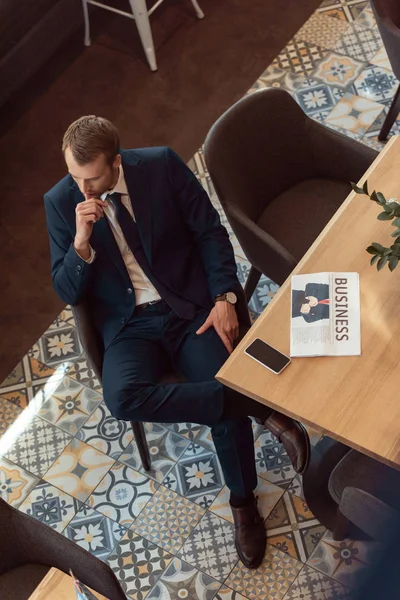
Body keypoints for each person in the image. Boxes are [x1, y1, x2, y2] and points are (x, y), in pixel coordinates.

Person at [44, 115, 310, 569]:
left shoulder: (161, 166)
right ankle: (256, 404)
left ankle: (243, 502)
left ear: (116, 161)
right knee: (122, 396)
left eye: (91, 178)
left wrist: (226, 297)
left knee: (217, 387)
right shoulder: (61, 202)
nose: (83, 189)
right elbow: (68, 290)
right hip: (128, 327)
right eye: (74, 177)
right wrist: (82, 244)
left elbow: (210, 233)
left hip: (189, 310)